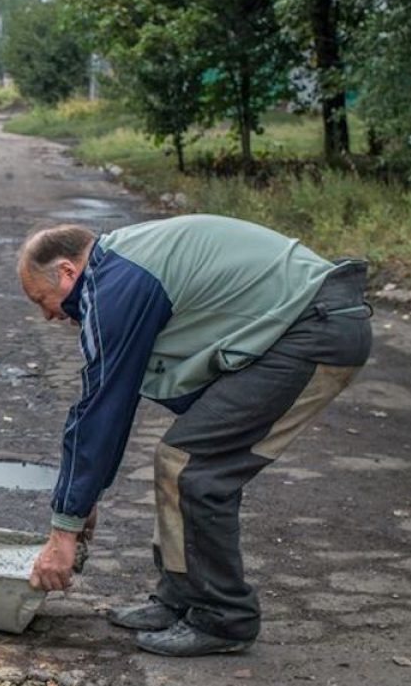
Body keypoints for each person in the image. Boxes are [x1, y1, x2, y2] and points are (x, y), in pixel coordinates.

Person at [19, 215, 373, 656]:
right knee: (181, 460)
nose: (49, 315)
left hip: (313, 329)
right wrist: (81, 498)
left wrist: (65, 529)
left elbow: (101, 408)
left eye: (43, 299)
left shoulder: (114, 284)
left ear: (68, 272)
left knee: (193, 467)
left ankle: (224, 618)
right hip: (304, 323)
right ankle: (182, 598)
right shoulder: (121, 267)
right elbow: (110, 403)